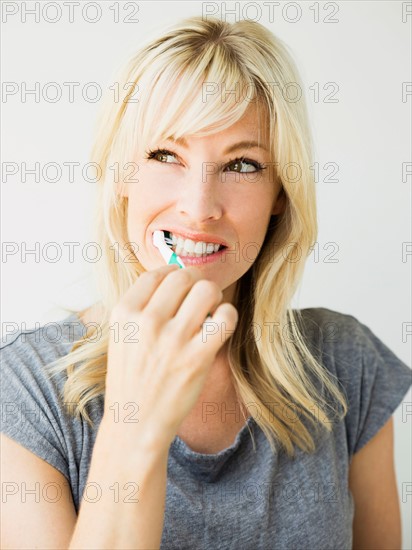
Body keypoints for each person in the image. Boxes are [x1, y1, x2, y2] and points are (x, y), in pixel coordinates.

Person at [1, 15, 411, 550]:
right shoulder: (25, 391)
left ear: (280, 194)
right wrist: (135, 421)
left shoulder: (347, 364)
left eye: (242, 165)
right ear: (122, 174)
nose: (198, 208)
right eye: (165, 155)